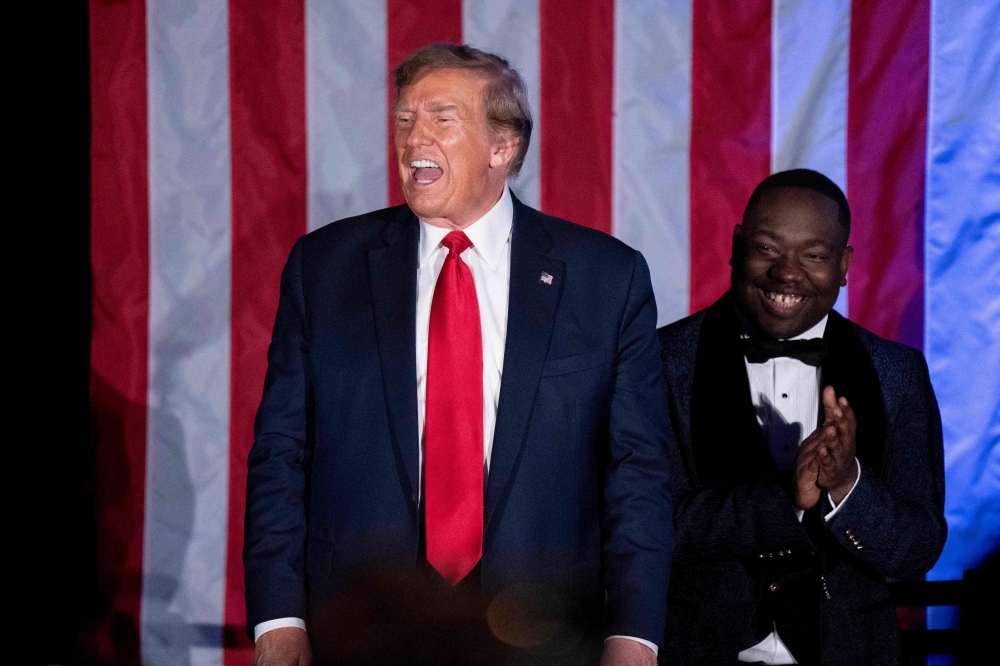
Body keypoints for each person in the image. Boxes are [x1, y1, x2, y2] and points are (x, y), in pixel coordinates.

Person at [244, 43, 672, 666]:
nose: (414, 137)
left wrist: (632, 637)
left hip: (543, 636)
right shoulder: (324, 268)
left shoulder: (606, 280)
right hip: (360, 630)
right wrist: (278, 623)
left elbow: (638, 475)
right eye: (404, 119)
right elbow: (280, 457)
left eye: (442, 119)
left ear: (504, 147)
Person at [657, 169, 946, 665]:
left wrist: (848, 485)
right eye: (768, 249)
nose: (788, 273)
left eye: (813, 256)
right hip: (697, 651)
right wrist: (785, 497)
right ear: (737, 246)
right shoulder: (661, 361)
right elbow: (643, 527)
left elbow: (918, 549)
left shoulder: (897, 372)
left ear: (843, 265)